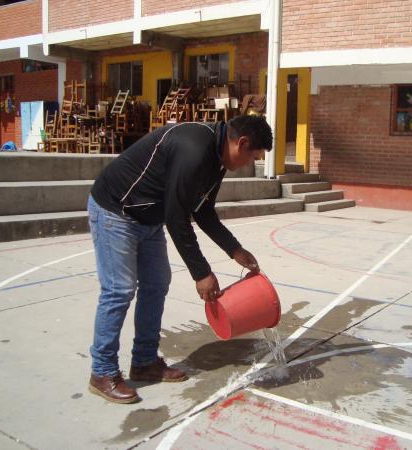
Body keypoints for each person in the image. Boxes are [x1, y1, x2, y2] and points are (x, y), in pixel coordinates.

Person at [87, 115, 273, 403]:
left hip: (148, 217)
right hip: (117, 211)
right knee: (119, 290)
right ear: (242, 143)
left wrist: (235, 250)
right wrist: (201, 273)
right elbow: (177, 217)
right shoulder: (195, 149)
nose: (251, 163)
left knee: (157, 284)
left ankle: (145, 361)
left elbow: (203, 210)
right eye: (253, 156)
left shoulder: (217, 158)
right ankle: (102, 372)